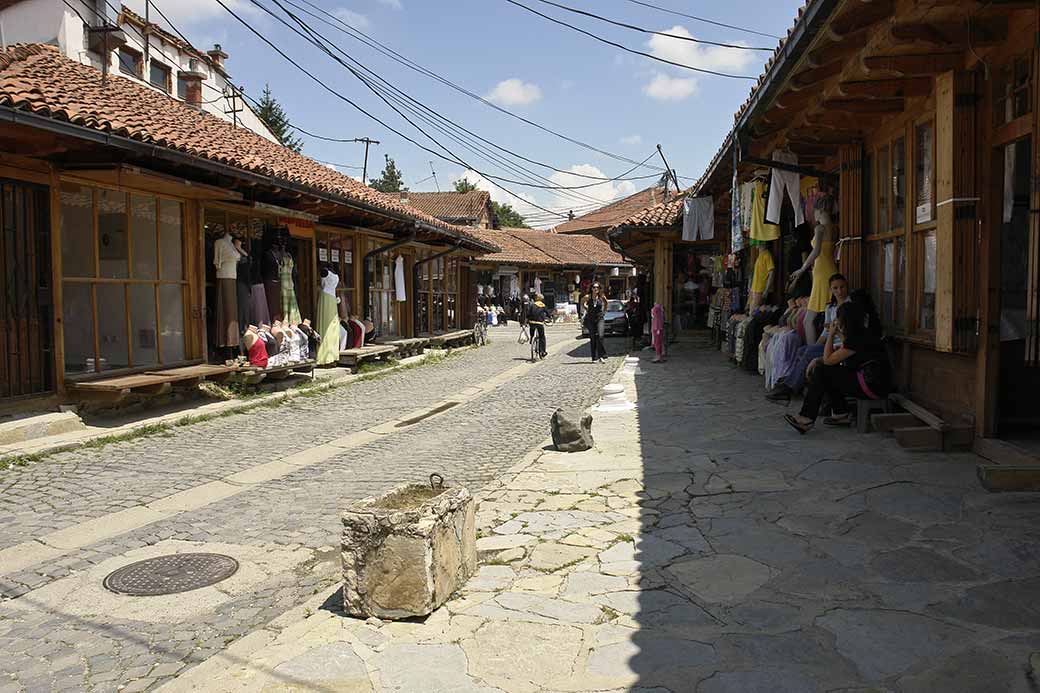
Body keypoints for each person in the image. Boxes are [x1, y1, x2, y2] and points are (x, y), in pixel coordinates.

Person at [784, 301, 890, 434]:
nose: (837, 321)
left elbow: (828, 360)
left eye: (839, 319)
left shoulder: (857, 339)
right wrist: (818, 358)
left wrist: (831, 334)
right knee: (828, 372)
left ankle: (806, 417)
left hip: (871, 386)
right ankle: (841, 414)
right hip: (874, 383)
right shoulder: (863, 334)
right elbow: (845, 348)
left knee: (823, 370)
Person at [766, 273, 849, 402]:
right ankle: (797, 384)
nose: (839, 291)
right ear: (831, 290)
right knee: (803, 350)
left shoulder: (851, 307)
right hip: (829, 344)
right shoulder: (830, 307)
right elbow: (825, 333)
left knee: (810, 352)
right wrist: (815, 346)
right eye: (835, 288)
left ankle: (790, 387)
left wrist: (834, 332)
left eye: (842, 287)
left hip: (842, 347)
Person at [584, 283, 607, 363]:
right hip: (591, 319)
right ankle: (594, 357)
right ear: (591, 288)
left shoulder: (602, 297)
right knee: (593, 337)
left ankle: (601, 356)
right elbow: (583, 303)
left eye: (597, 287)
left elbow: (606, 303)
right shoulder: (588, 297)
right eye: (594, 287)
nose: (595, 289)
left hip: (600, 318)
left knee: (600, 336)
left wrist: (604, 312)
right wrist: (586, 309)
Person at [527, 293, 548, 359]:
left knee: (532, 328)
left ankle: (532, 338)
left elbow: (528, 313)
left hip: (532, 322)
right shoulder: (543, 305)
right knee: (542, 336)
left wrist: (527, 319)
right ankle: (543, 351)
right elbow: (547, 313)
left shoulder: (532, 305)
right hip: (539, 323)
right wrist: (549, 318)